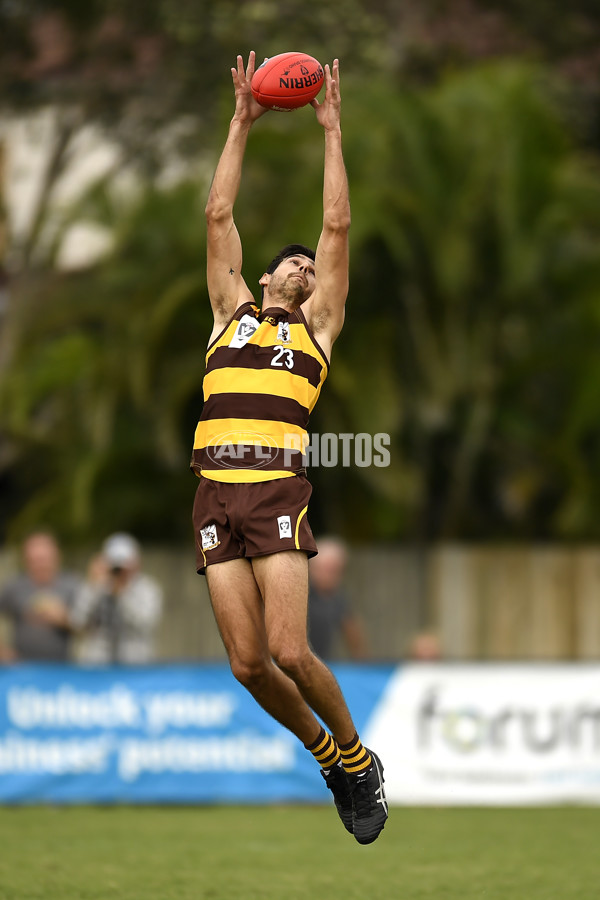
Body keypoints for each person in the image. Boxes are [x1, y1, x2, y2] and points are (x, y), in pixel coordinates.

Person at [190, 52, 387, 844]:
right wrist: (241, 124)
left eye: (312, 265)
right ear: (266, 277)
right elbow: (216, 218)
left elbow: (337, 224)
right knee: (246, 664)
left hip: (273, 488)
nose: (307, 265)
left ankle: (358, 757)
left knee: (288, 648)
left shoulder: (316, 327)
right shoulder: (229, 314)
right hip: (212, 493)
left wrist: (331, 130)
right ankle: (325, 756)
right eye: (295, 262)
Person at [70, 533, 163, 665]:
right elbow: (77, 622)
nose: (119, 570)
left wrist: (122, 594)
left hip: (135, 666)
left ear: (136, 562)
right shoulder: (95, 586)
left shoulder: (147, 589)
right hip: (97, 666)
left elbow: (146, 623)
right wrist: (93, 587)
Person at [0, 531, 80, 662]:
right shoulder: (14, 586)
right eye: (34, 560)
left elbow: (88, 628)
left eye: (44, 559)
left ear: (56, 557)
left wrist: (65, 619)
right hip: (21, 669)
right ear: (25, 560)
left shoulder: (72, 585)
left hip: (62, 667)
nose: (40, 564)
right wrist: (2, 650)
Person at [308, 537, 368, 660]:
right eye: (325, 570)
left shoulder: (338, 599)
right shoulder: (300, 593)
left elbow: (354, 637)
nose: (329, 577)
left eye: (334, 571)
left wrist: (364, 669)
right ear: (312, 568)